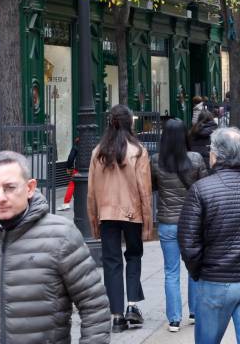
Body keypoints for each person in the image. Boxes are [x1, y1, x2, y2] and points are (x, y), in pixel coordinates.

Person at [0, 151, 110, 343]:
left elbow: (94, 305)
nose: (1, 197)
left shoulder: (62, 236)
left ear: (30, 188)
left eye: (10, 187)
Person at [178, 128, 240, 344]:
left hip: (215, 279)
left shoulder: (200, 190)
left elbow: (188, 242)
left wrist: (199, 271)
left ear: (215, 155)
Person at [88, 104, 152, 332]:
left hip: (106, 213)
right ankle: (132, 306)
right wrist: (147, 221)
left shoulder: (98, 152)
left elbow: (91, 191)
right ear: (129, 123)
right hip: (132, 213)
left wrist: (94, 220)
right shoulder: (138, 151)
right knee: (133, 256)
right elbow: (145, 189)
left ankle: (115, 315)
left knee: (111, 262)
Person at [151, 119, 209, 332]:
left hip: (167, 222)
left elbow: (153, 186)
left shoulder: (156, 161)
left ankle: (174, 318)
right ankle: (194, 312)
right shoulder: (195, 159)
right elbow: (205, 188)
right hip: (192, 222)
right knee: (194, 268)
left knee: (171, 271)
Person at [58, 136, 80, 211]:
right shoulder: (92, 144)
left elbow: (71, 158)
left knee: (72, 185)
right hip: (91, 169)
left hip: (78, 169)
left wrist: (68, 167)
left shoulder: (76, 145)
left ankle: (66, 203)